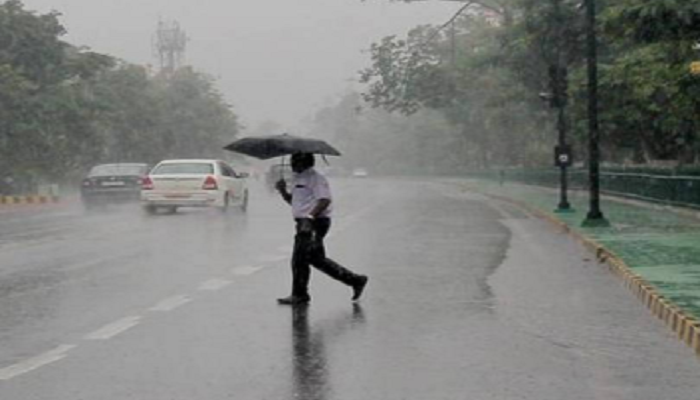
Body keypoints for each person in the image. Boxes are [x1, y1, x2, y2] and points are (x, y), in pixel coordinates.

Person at [275, 152, 368, 305]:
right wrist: (283, 191)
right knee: (316, 259)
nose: (291, 163)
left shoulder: (316, 178)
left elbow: (324, 200)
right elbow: (297, 203)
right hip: (304, 222)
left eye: (294, 160)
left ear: (304, 161)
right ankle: (355, 280)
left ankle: (300, 294)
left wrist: (310, 218)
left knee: (299, 259)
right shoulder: (300, 178)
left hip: (314, 223)